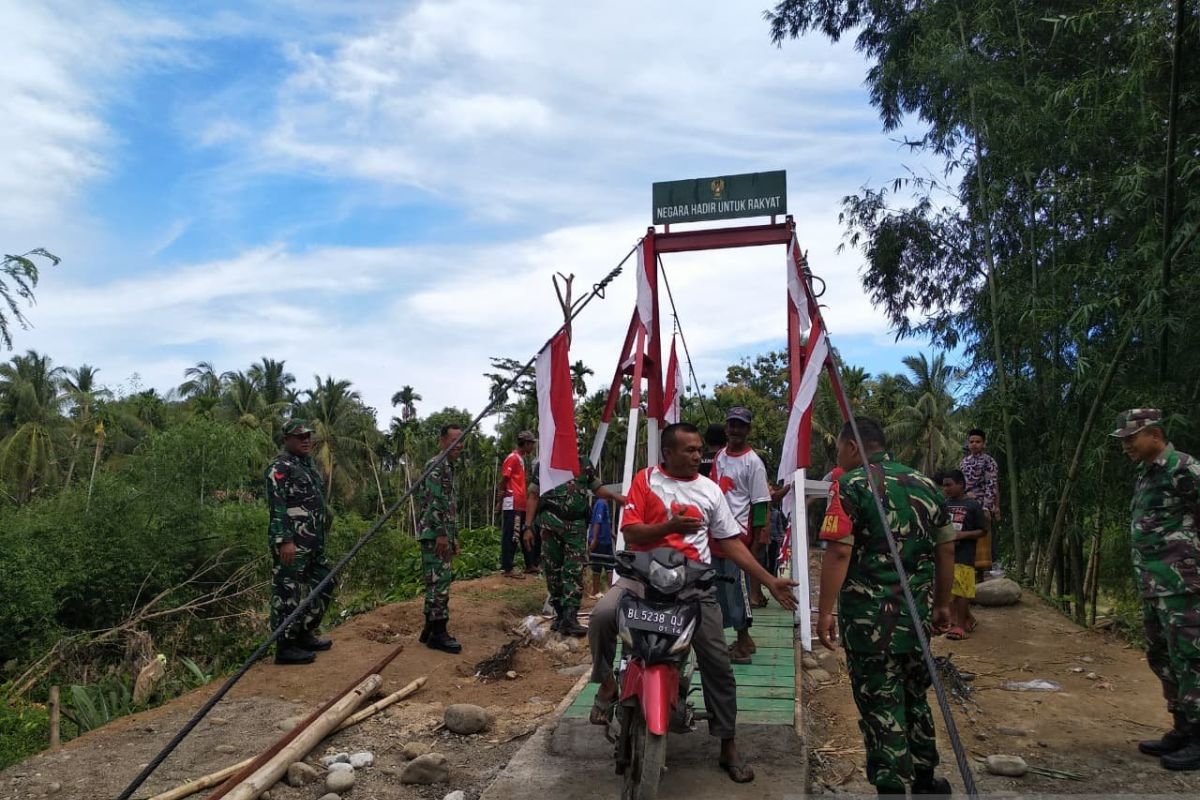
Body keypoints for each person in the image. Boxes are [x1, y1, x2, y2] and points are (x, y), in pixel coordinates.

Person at [587, 422, 798, 784]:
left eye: (700, 449)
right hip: (641, 578)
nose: (699, 456)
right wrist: (669, 527)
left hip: (694, 586)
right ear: (668, 453)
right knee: (602, 616)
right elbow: (631, 532)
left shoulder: (710, 491)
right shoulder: (646, 480)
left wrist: (768, 579)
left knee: (717, 662)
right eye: (690, 450)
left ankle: (727, 744)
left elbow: (729, 542)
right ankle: (607, 683)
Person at [817, 417, 956, 796]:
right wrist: (943, 604)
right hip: (917, 616)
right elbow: (946, 550)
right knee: (915, 695)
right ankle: (927, 779)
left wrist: (825, 610)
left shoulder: (849, 485)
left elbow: (838, 552)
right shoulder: (928, 485)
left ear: (850, 446)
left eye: (839, 449)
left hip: (869, 621)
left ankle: (891, 786)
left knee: (880, 700)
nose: (838, 455)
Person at [1112, 408, 1200, 771]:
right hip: (1154, 583)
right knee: (1161, 656)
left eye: (1131, 438)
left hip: (1184, 582)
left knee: (1191, 657)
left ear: (1155, 434)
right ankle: (1182, 726)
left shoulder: (1183, 468)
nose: (1126, 446)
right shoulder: (1148, 473)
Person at [525, 459, 624, 636]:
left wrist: (616, 497)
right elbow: (533, 495)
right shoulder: (546, 462)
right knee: (552, 569)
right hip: (550, 524)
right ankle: (560, 614)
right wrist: (528, 527)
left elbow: (597, 488)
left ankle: (570, 617)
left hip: (576, 524)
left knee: (574, 569)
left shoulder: (584, 463)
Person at [266, 419, 334, 665]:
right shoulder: (280, 467)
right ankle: (285, 645)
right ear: (287, 439)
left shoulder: (308, 466)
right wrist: (284, 540)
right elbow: (277, 506)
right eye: (300, 436)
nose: (306, 440)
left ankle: (304, 631)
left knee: (326, 581)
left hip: (313, 541)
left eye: (308, 436)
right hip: (292, 542)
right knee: (287, 592)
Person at [711, 406, 770, 664]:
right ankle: (738, 638)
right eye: (732, 424)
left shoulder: (753, 462)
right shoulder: (720, 457)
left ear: (748, 429)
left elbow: (759, 505)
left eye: (741, 425)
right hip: (716, 535)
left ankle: (744, 641)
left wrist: (755, 544)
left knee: (739, 592)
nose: (735, 430)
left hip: (739, 537)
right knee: (720, 590)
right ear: (726, 427)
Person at [417, 424, 466, 654]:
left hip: (441, 534)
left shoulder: (448, 467)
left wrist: (452, 536)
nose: (459, 444)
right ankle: (438, 632)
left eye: (462, 440)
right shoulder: (436, 466)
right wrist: (441, 534)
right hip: (435, 535)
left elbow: (448, 506)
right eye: (455, 439)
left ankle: (429, 628)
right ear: (443, 441)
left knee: (437, 580)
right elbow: (434, 502)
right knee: (440, 583)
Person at [940, 469, 985, 640]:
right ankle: (961, 620)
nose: (946, 489)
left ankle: (959, 627)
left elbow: (982, 531)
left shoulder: (973, 505)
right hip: (948, 553)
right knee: (950, 590)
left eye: (949, 485)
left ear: (960, 484)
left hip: (965, 554)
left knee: (962, 590)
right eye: (944, 486)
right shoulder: (944, 504)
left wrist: (962, 535)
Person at [959, 428, 1000, 573]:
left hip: (982, 503)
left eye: (978, 442)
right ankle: (971, 565)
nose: (974, 444)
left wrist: (987, 507)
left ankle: (992, 566)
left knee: (986, 534)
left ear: (984, 444)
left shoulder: (989, 461)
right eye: (972, 442)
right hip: (967, 504)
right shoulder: (964, 462)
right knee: (969, 534)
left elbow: (991, 484)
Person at [498, 431, 537, 579]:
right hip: (512, 502)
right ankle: (507, 568)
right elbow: (504, 478)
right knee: (512, 535)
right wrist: (501, 497)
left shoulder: (521, 459)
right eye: (531, 443)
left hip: (521, 502)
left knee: (524, 532)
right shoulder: (513, 458)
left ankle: (530, 564)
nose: (532, 446)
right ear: (526, 443)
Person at [589, 495, 614, 597]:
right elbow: (597, 522)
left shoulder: (605, 504)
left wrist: (613, 535)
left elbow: (606, 522)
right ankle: (595, 591)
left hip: (606, 540)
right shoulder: (601, 503)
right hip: (600, 539)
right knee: (597, 565)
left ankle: (611, 591)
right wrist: (594, 539)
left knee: (610, 566)